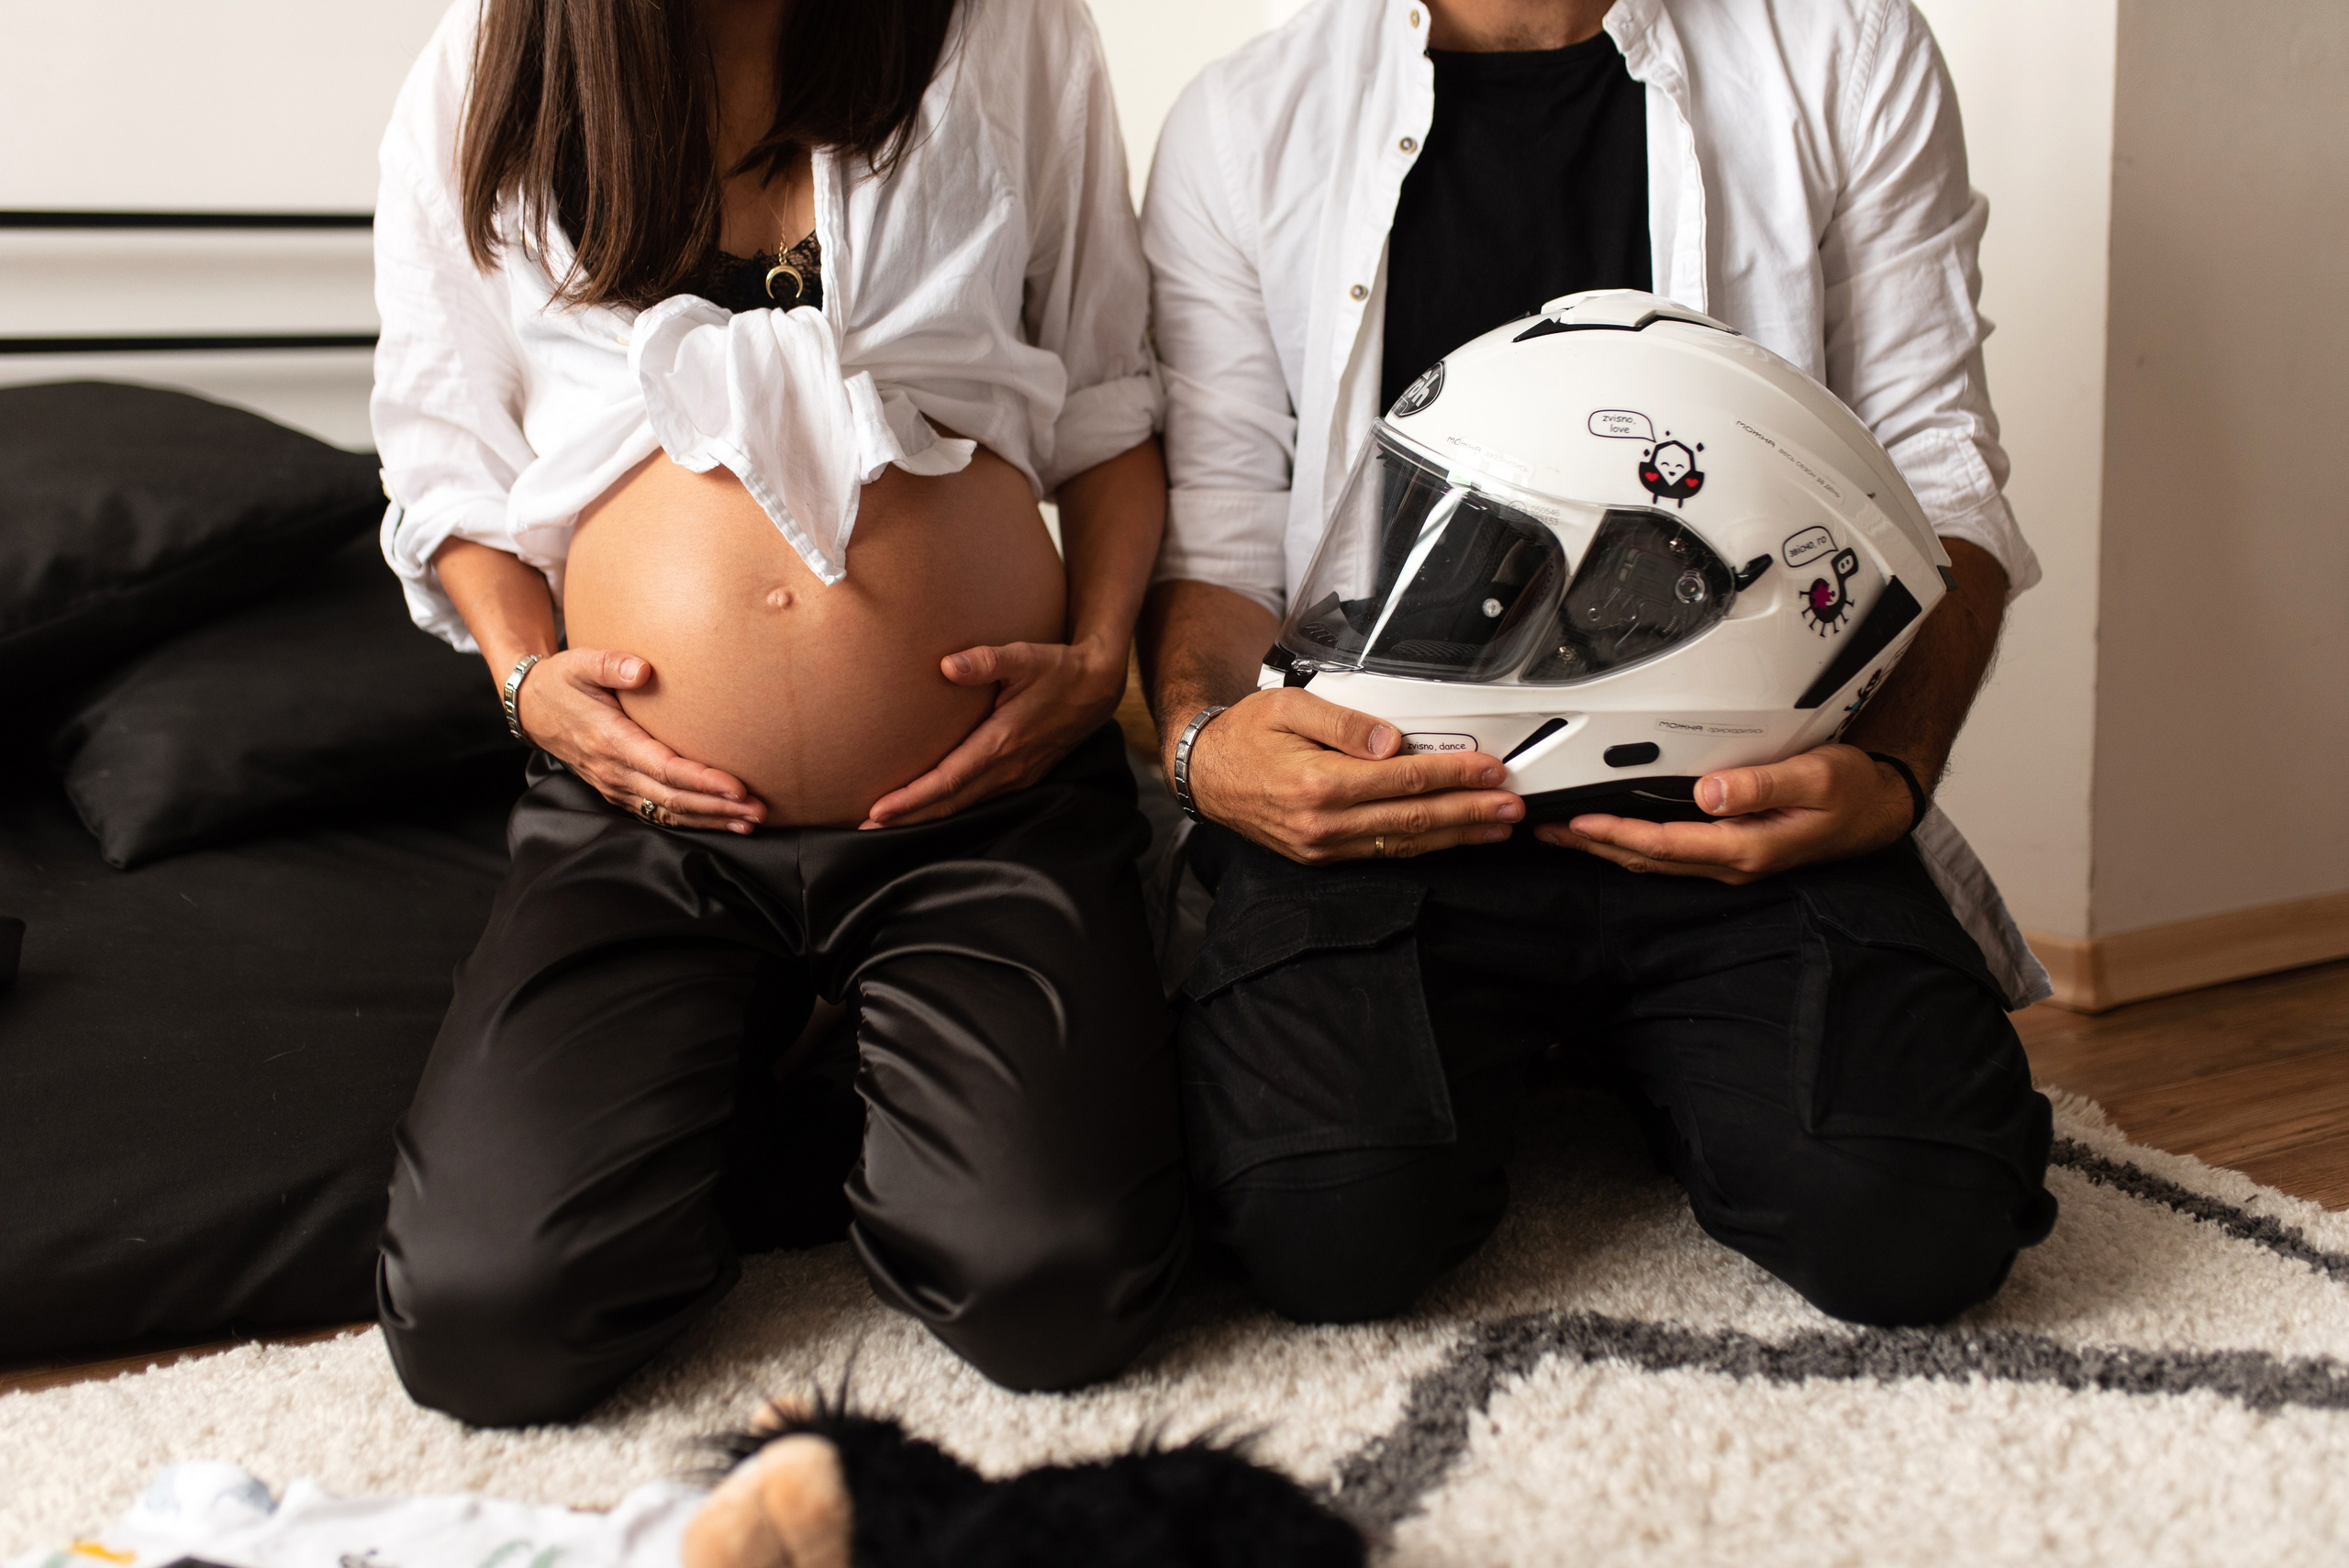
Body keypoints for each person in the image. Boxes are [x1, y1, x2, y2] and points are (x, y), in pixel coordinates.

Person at [1139, 0, 2058, 1329]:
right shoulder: (1243, 122)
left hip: (1737, 804)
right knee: (1324, 1223)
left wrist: (1896, 765)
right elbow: (1223, 544)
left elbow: (1942, 481)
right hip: (1396, 805)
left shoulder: (1844, 49)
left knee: (1915, 1217)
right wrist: (1203, 746)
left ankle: (1646, 1057)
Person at [370, 0, 1186, 1426]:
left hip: (978, 799)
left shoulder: (1006, 28)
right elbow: (446, 462)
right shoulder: (493, 59)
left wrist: (1101, 651)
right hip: (646, 819)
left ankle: (852, 1070)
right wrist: (525, 683)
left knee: (1060, 1289)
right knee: (483, 1321)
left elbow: (1111, 395)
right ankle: (797, 1058)